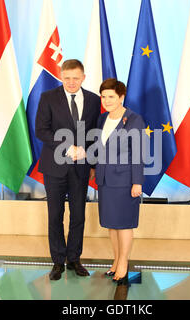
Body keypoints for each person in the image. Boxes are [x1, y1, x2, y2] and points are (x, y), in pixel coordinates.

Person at [35, 59, 101, 281]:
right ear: (61, 76)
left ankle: (74, 258)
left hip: (81, 168)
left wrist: (92, 162)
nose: (71, 82)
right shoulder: (48, 98)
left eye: (76, 78)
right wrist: (67, 147)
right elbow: (41, 130)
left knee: (78, 215)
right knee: (55, 215)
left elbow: (95, 133)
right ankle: (57, 261)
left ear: (83, 77)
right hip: (54, 167)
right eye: (67, 78)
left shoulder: (93, 100)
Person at [95, 78, 145, 284]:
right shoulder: (101, 119)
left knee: (124, 224)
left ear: (121, 97)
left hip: (125, 181)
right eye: (104, 96)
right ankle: (115, 261)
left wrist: (137, 182)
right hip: (105, 180)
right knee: (111, 224)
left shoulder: (134, 119)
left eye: (111, 97)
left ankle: (123, 263)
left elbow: (139, 152)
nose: (107, 101)